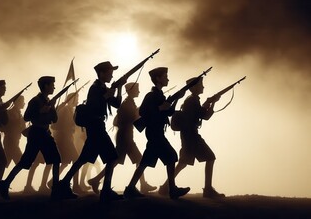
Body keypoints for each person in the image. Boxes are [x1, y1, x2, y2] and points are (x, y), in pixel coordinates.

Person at [55, 61, 125, 202]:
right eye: (110, 72)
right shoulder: (95, 88)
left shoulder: (103, 87)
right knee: (112, 158)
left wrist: (118, 88)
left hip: (97, 127)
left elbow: (117, 104)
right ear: (102, 73)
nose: (112, 75)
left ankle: (63, 185)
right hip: (96, 127)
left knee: (83, 159)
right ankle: (105, 191)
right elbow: (94, 107)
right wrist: (107, 95)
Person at [123, 67, 190, 199]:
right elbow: (143, 112)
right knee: (170, 156)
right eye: (165, 76)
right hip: (154, 132)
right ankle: (172, 189)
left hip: (156, 132)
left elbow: (169, 112)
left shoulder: (159, 95)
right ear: (158, 79)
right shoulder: (151, 96)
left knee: (145, 162)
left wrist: (176, 99)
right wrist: (160, 107)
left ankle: (131, 188)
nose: (167, 78)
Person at [158, 77, 225, 198]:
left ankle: (165, 187)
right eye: (201, 85)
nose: (203, 87)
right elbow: (205, 116)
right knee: (210, 157)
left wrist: (207, 103)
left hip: (187, 135)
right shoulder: (193, 100)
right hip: (192, 135)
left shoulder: (191, 100)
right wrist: (213, 103)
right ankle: (208, 189)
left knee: (183, 162)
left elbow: (198, 113)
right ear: (194, 87)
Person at [0, 76, 61, 200]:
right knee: (26, 162)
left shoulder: (47, 101)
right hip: (37, 133)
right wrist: (40, 111)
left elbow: (54, 120)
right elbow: (27, 117)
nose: (54, 87)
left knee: (55, 159)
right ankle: (5, 184)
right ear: (45, 86)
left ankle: (56, 190)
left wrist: (52, 107)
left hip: (44, 133)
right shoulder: (35, 101)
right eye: (52, 84)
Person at [87, 82, 156, 194]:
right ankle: (96, 180)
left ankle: (142, 184)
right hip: (125, 136)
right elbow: (127, 120)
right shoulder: (127, 104)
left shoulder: (129, 103)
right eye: (137, 89)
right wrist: (138, 114)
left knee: (132, 160)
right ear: (130, 91)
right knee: (118, 161)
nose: (138, 91)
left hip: (127, 136)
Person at [45, 92, 86, 194]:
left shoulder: (70, 110)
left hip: (67, 137)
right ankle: (75, 186)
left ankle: (51, 182)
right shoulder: (64, 110)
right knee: (76, 159)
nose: (77, 100)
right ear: (71, 99)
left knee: (65, 162)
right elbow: (55, 125)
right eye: (76, 98)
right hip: (63, 138)